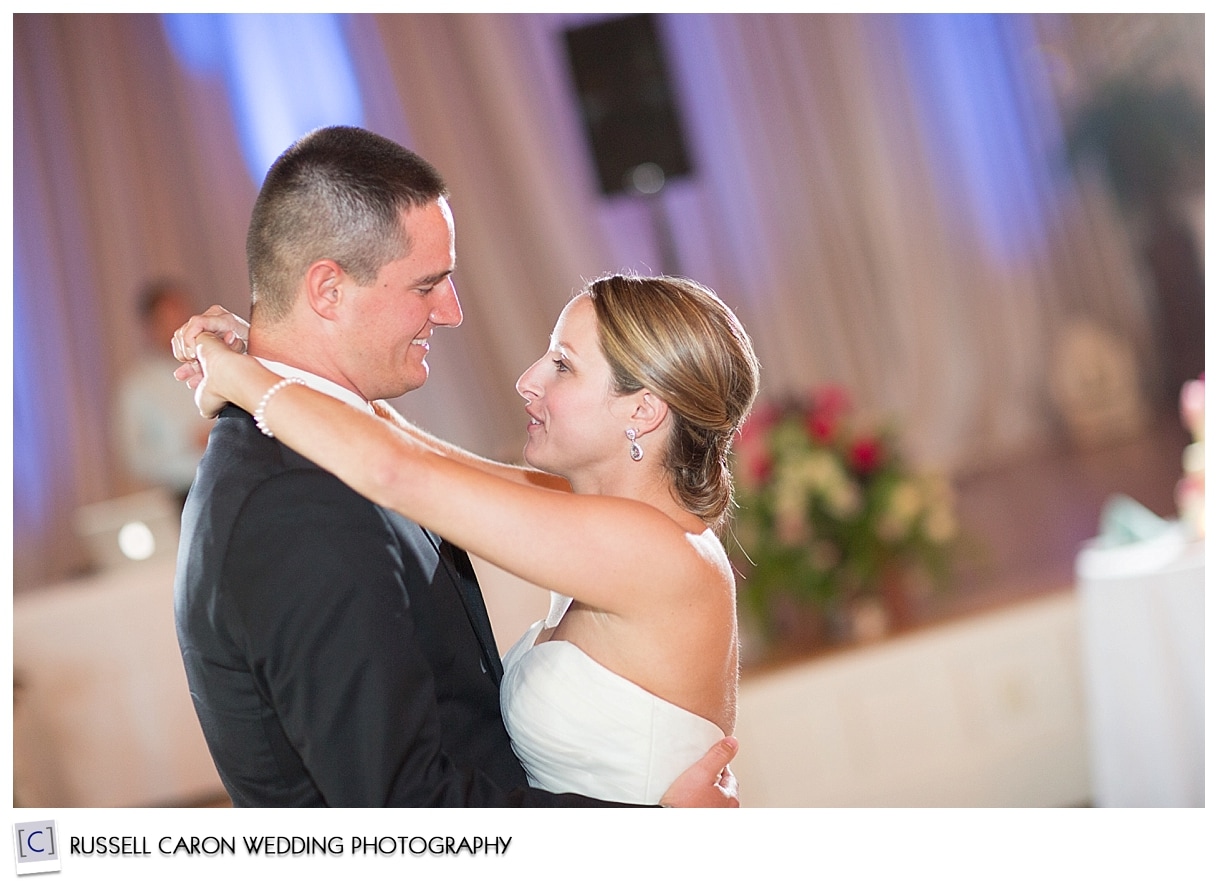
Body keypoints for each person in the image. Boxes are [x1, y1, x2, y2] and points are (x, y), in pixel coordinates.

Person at [172, 125, 738, 807]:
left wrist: (240, 369)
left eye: (562, 365)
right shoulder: (295, 501)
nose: (454, 312)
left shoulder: (646, 549)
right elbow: (413, 455)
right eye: (428, 283)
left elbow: (399, 469)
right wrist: (251, 364)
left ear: (643, 412)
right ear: (327, 291)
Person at [113, 279, 211, 506]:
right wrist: (186, 441)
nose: (178, 326)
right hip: (183, 494)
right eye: (168, 319)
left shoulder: (216, 362)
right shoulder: (138, 386)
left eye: (183, 316)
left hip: (237, 479)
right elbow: (134, 457)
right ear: (150, 326)